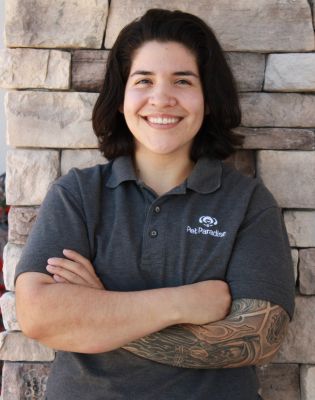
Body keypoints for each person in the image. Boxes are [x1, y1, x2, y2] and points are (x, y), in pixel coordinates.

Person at [15, 8, 295, 400]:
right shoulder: (78, 194)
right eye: (143, 80)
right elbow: (38, 315)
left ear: (208, 99)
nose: (161, 98)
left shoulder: (247, 202)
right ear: (120, 98)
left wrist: (98, 311)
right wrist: (184, 303)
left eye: (183, 80)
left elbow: (257, 338)